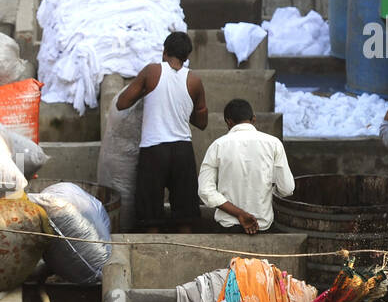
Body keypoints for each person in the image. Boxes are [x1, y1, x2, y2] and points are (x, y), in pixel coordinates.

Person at [115, 31, 208, 232]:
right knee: (185, 216)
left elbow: (122, 103)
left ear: (164, 52)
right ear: (187, 56)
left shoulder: (151, 72)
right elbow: (202, 122)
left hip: (154, 150)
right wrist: (182, 107)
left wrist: (145, 92)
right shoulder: (194, 80)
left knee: (151, 217)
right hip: (183, 151)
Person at [197, 98, 294, 234]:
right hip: (262, 226)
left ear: (228, 122)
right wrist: (265, 192)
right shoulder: (274, 144)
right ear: (253, 119)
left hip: (228, 227)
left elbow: (205, 191)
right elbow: (287, 189)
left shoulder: (218, 146)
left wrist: (239, 214)